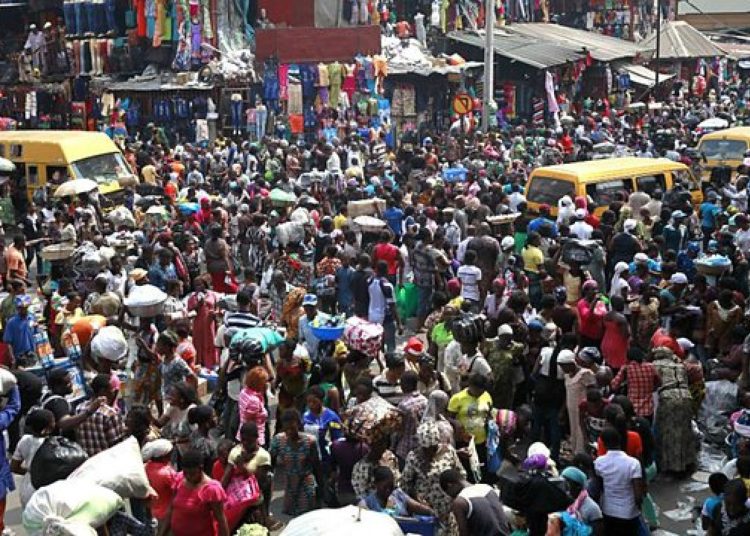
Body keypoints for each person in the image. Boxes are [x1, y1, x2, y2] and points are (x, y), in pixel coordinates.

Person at [159, 449, 229, 536]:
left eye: (192, 474)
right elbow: (171, 509)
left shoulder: (211, 489)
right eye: (185, 473)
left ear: (201, 468)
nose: (188, 477)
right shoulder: (179, 479)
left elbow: (221, 520)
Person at [269, 408, 322, 516]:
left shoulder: (310, 441)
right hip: (290, 487)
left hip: (307, 485)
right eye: (286, 428)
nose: (289, 431)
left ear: (298, 424)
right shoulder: (278, 440)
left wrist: (321, 491)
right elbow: (270, 463)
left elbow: (317, 467)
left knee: (307, 517)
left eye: (292, 428)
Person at [594, 427, 644, 536]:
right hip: (629, 513)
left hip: (608, 510)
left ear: (604, 444)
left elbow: (598, 487)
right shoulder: (633, 463)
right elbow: (638, 495)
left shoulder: (599, 463)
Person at [439, 468, 511, 536]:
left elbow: (464, 533)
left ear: (450, 485)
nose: (451, 497)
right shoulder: (487, 487)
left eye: (448, 493)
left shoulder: (460, 502)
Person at [10, 408, 53, 508]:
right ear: (49, 427)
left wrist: (30, 472)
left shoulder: (24, 440)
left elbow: (14, 467)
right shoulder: (52, 445)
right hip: (45, 490)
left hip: (27, 489)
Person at [75, 374, 127, 456]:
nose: (113, 392)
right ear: (102, 391)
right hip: (104, 462)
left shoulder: (79, 409)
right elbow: (117, 445)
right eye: (111, 389)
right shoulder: (110, 414)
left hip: (87, 463)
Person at [360, 465, 435, 516]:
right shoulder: (367, 503)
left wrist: (433, 512)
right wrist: (389, 510)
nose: (388, 490)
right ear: (375, 484)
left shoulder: (398, 494)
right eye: (385, 487)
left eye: (391, 486)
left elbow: (417, 507)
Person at [142, 439, 178, 528]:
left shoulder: (145, 467)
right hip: (168, 514)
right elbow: (178, 491)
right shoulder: (167, 473)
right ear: (164, 456)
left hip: (152, 513)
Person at [238, 366, 269, 445]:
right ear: (258, 383)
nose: (267, 384)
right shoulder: (254, 401)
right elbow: (251, 422)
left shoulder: (244, 392)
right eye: (265, 382)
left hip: (243, 434)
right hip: (254, 440)